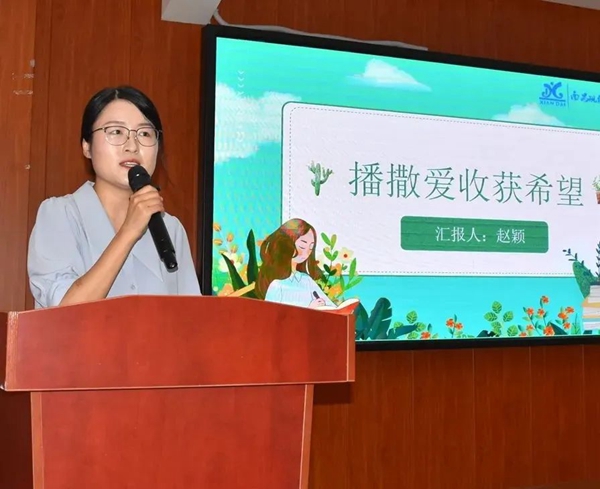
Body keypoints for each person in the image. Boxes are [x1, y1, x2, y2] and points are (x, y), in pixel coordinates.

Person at [27, 85, 201, 309]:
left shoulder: (171, 229)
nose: (132, 146)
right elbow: (64, 312)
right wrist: (129, 231)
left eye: (144, 133)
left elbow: (191, 319)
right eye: (116, 132)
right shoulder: (59, 215)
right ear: (86, 146)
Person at [254, 218, 335, 309]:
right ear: (286, 244)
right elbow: (271, 316)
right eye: (302, 246)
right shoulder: (277, 285)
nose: (306, 253)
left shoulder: (306, 280)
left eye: (311, 248)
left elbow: (331, 306)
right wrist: (309, 309)